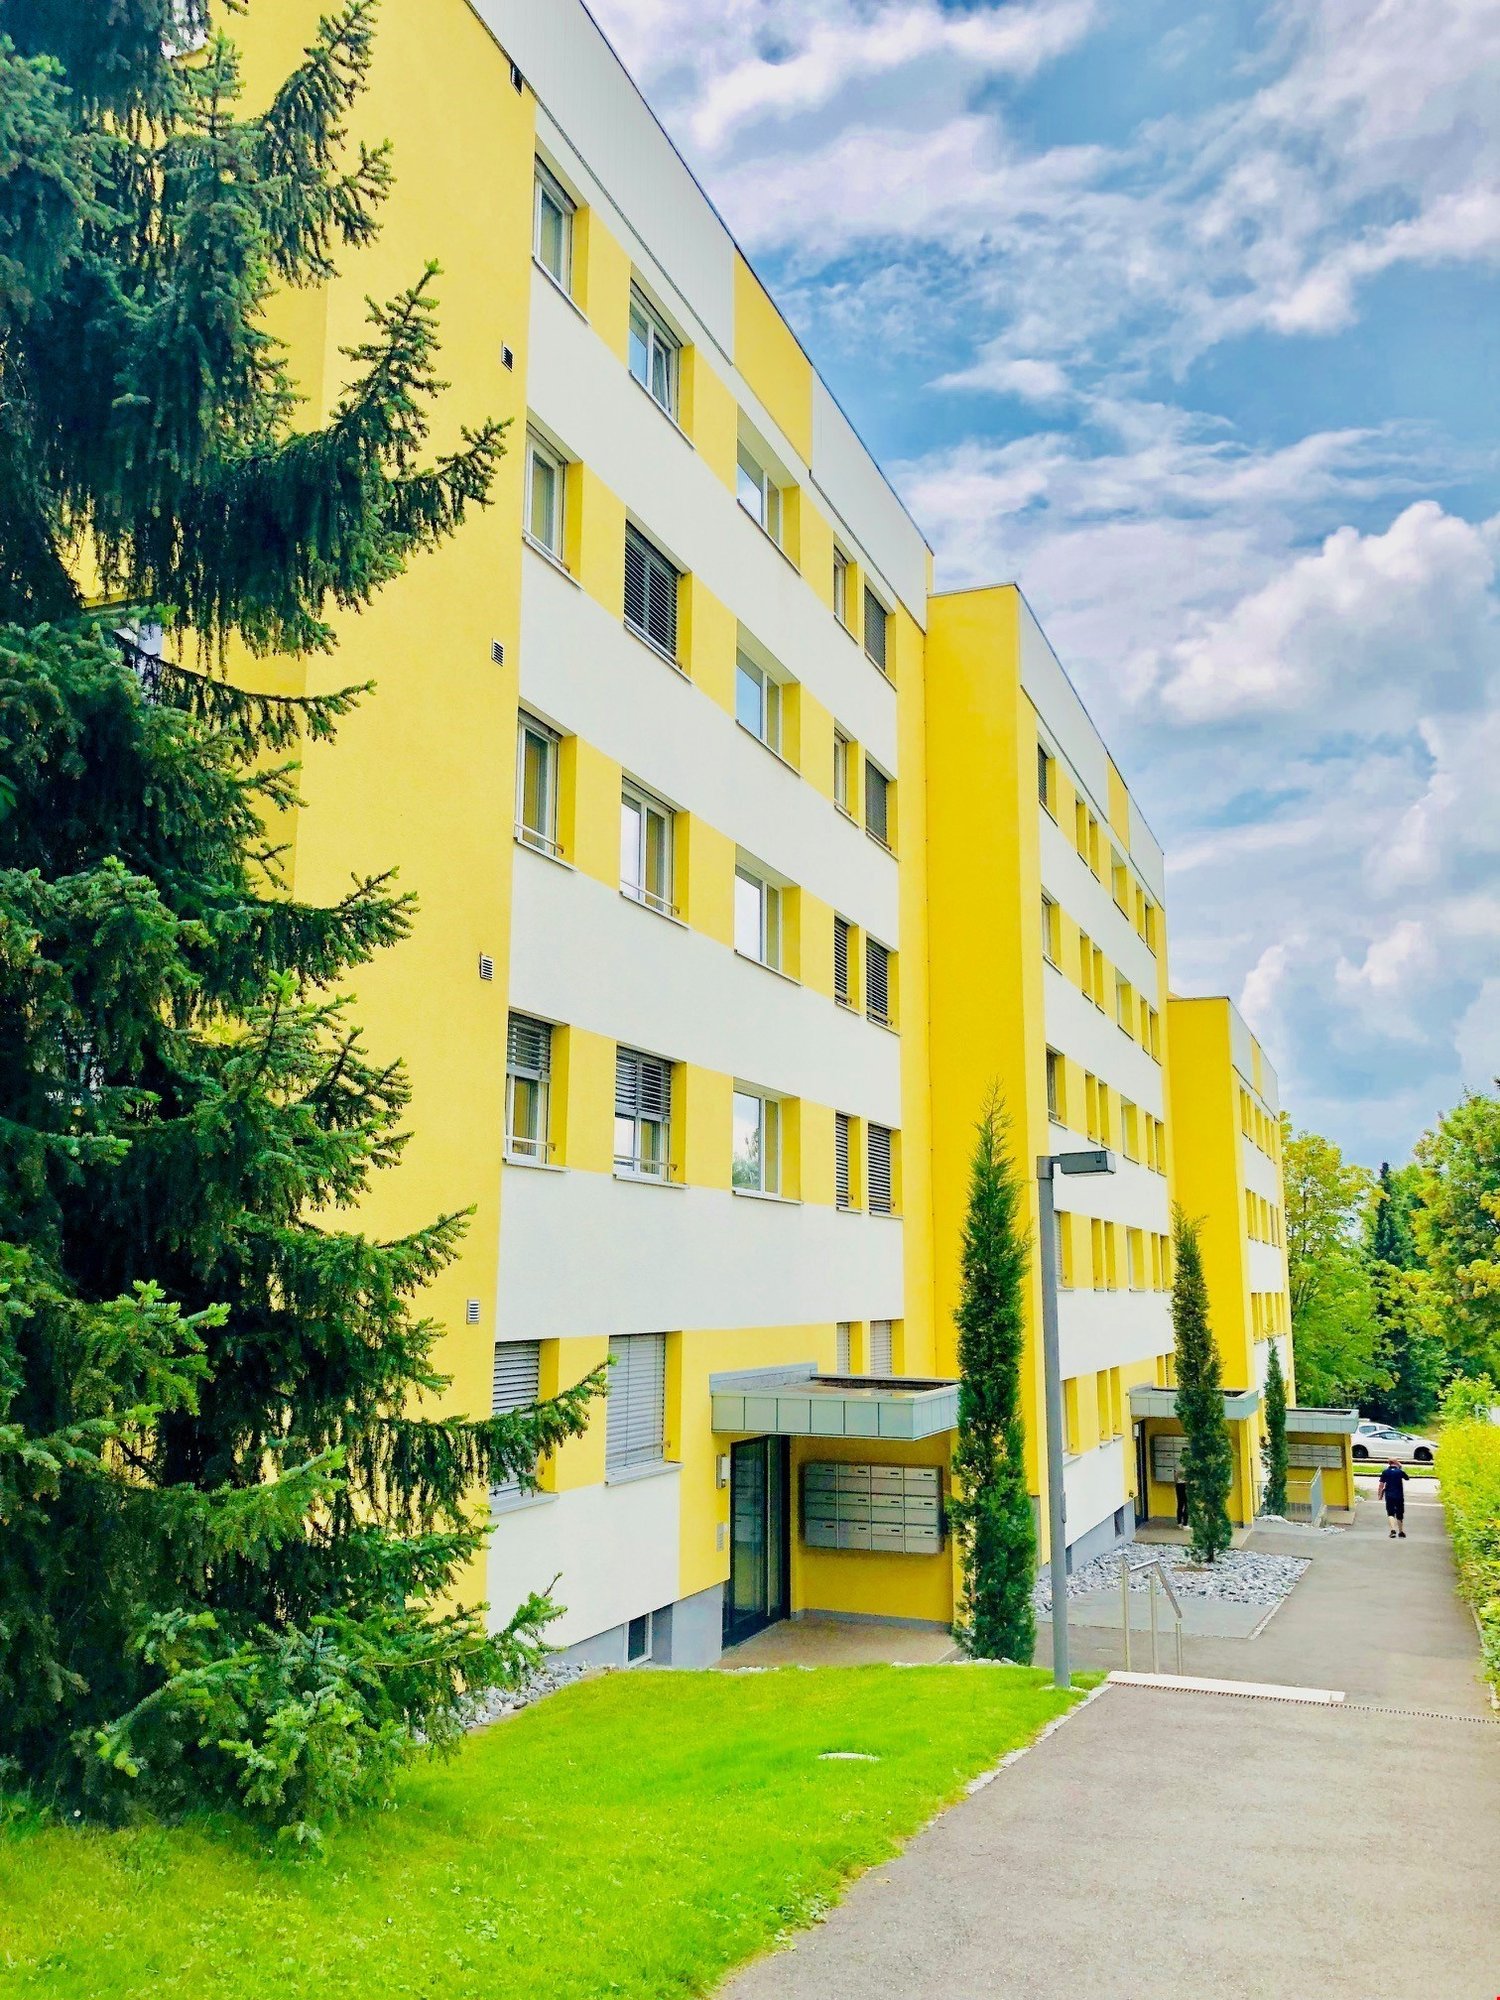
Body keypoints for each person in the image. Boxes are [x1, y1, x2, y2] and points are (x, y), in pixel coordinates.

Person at [1378, 1458, 1407, 1538]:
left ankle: (1393, 1530)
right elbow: (1407, 1478)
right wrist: (1400, 1467)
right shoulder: (1400, 1472)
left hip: (1389, 1495)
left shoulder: (1385, 1472)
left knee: (1390, 1513)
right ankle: (1401, 1531)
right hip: (1399, 1496)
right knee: (1399, 1513)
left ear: (1389, 1463)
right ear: (1396, 1463)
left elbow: (1381, 1484)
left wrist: (1380, 1494)